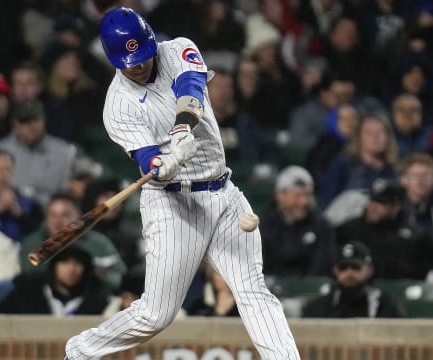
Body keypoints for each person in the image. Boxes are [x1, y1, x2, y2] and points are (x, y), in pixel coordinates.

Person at [64, 7, 300, 360]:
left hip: (223, 193)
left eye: (142, 54)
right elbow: (147, 160)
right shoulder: (118, 105)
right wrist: (163, 165)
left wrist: (181, 127)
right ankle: (80, 352)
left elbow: (191, 88)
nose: (137, 64)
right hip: (173, 204)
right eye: (128, 61)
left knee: (254, 291)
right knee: (156, 314)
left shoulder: (177, 49)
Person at [335, 178, 433, 280]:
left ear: (396, 207)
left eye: (381, 202)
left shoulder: (416, 236)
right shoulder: (349, 229)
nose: (373, 206)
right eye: (372, 200)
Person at [19, 193, 126, 293]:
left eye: (65, 215)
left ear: (79, 216)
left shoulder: (99, 243)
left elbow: (120, 275)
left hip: (92, 299)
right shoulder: (32, 243)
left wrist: (99, 277)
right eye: (52, 215)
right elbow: (28, 276)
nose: (57, 221)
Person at [0, 99, 77, 206]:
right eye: (25, 120)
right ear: (15, 124)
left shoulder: (65, 151)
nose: (31, 125)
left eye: (35, 119)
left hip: (51, 215)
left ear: (44, 120)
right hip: (9, 214)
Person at [260, 166, 335, 276]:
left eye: (307, 195)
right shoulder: (265, 226)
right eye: (298, 196)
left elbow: (322, 265)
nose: (304, 202)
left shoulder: (321, 227)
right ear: (280, 195)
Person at [0, 244, 109, 316]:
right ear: (54, 266)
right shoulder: (28, 293)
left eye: (77, 263)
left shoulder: (97, 299)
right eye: (65, 262)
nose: (71, 269)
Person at [301, 241, 404, 318]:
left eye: (356, 267)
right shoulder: (320, 306)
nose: (349, 273)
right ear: (335, 270)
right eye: (343, 267)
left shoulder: (383, 304)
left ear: (370, 270)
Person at [0, 149, 43, 242]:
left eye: (7, 169)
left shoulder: (27, 200)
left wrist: (19, 214)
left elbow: (39, 232)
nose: (3, 174)